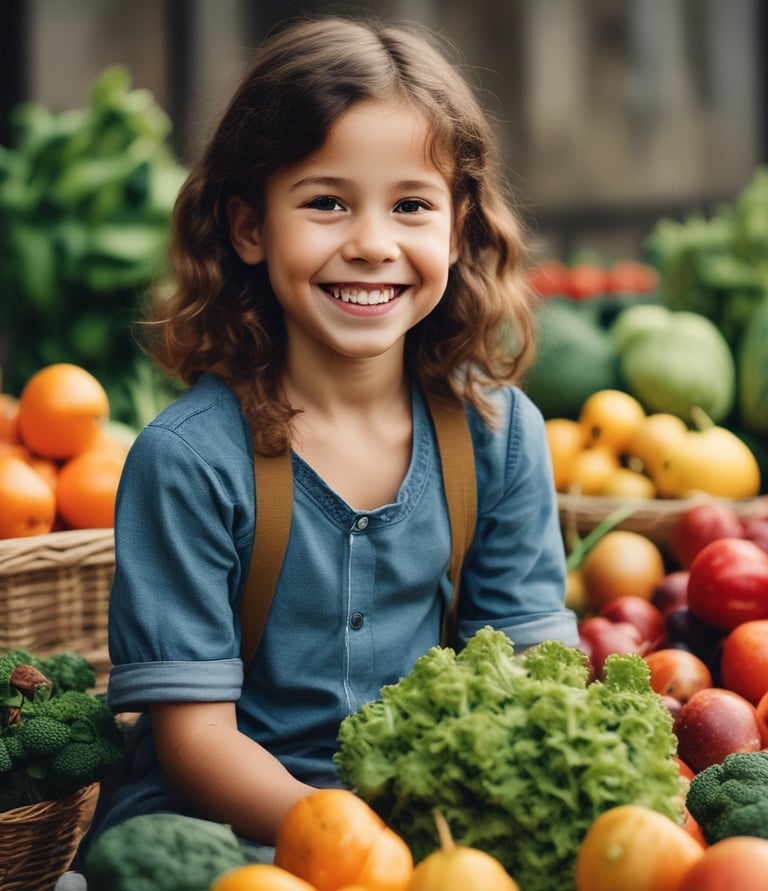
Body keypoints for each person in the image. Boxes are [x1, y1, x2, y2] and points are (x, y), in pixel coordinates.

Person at [81, 13, 579, 861]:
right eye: (326, 203)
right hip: (229, 833)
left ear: (457, 230)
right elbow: (196, 741)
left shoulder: (497, 437)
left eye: (412, 205)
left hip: (429, 834)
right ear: (248, 227)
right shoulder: (190, 460)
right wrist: (352, 841)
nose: (372, 243)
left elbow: (530, 674)